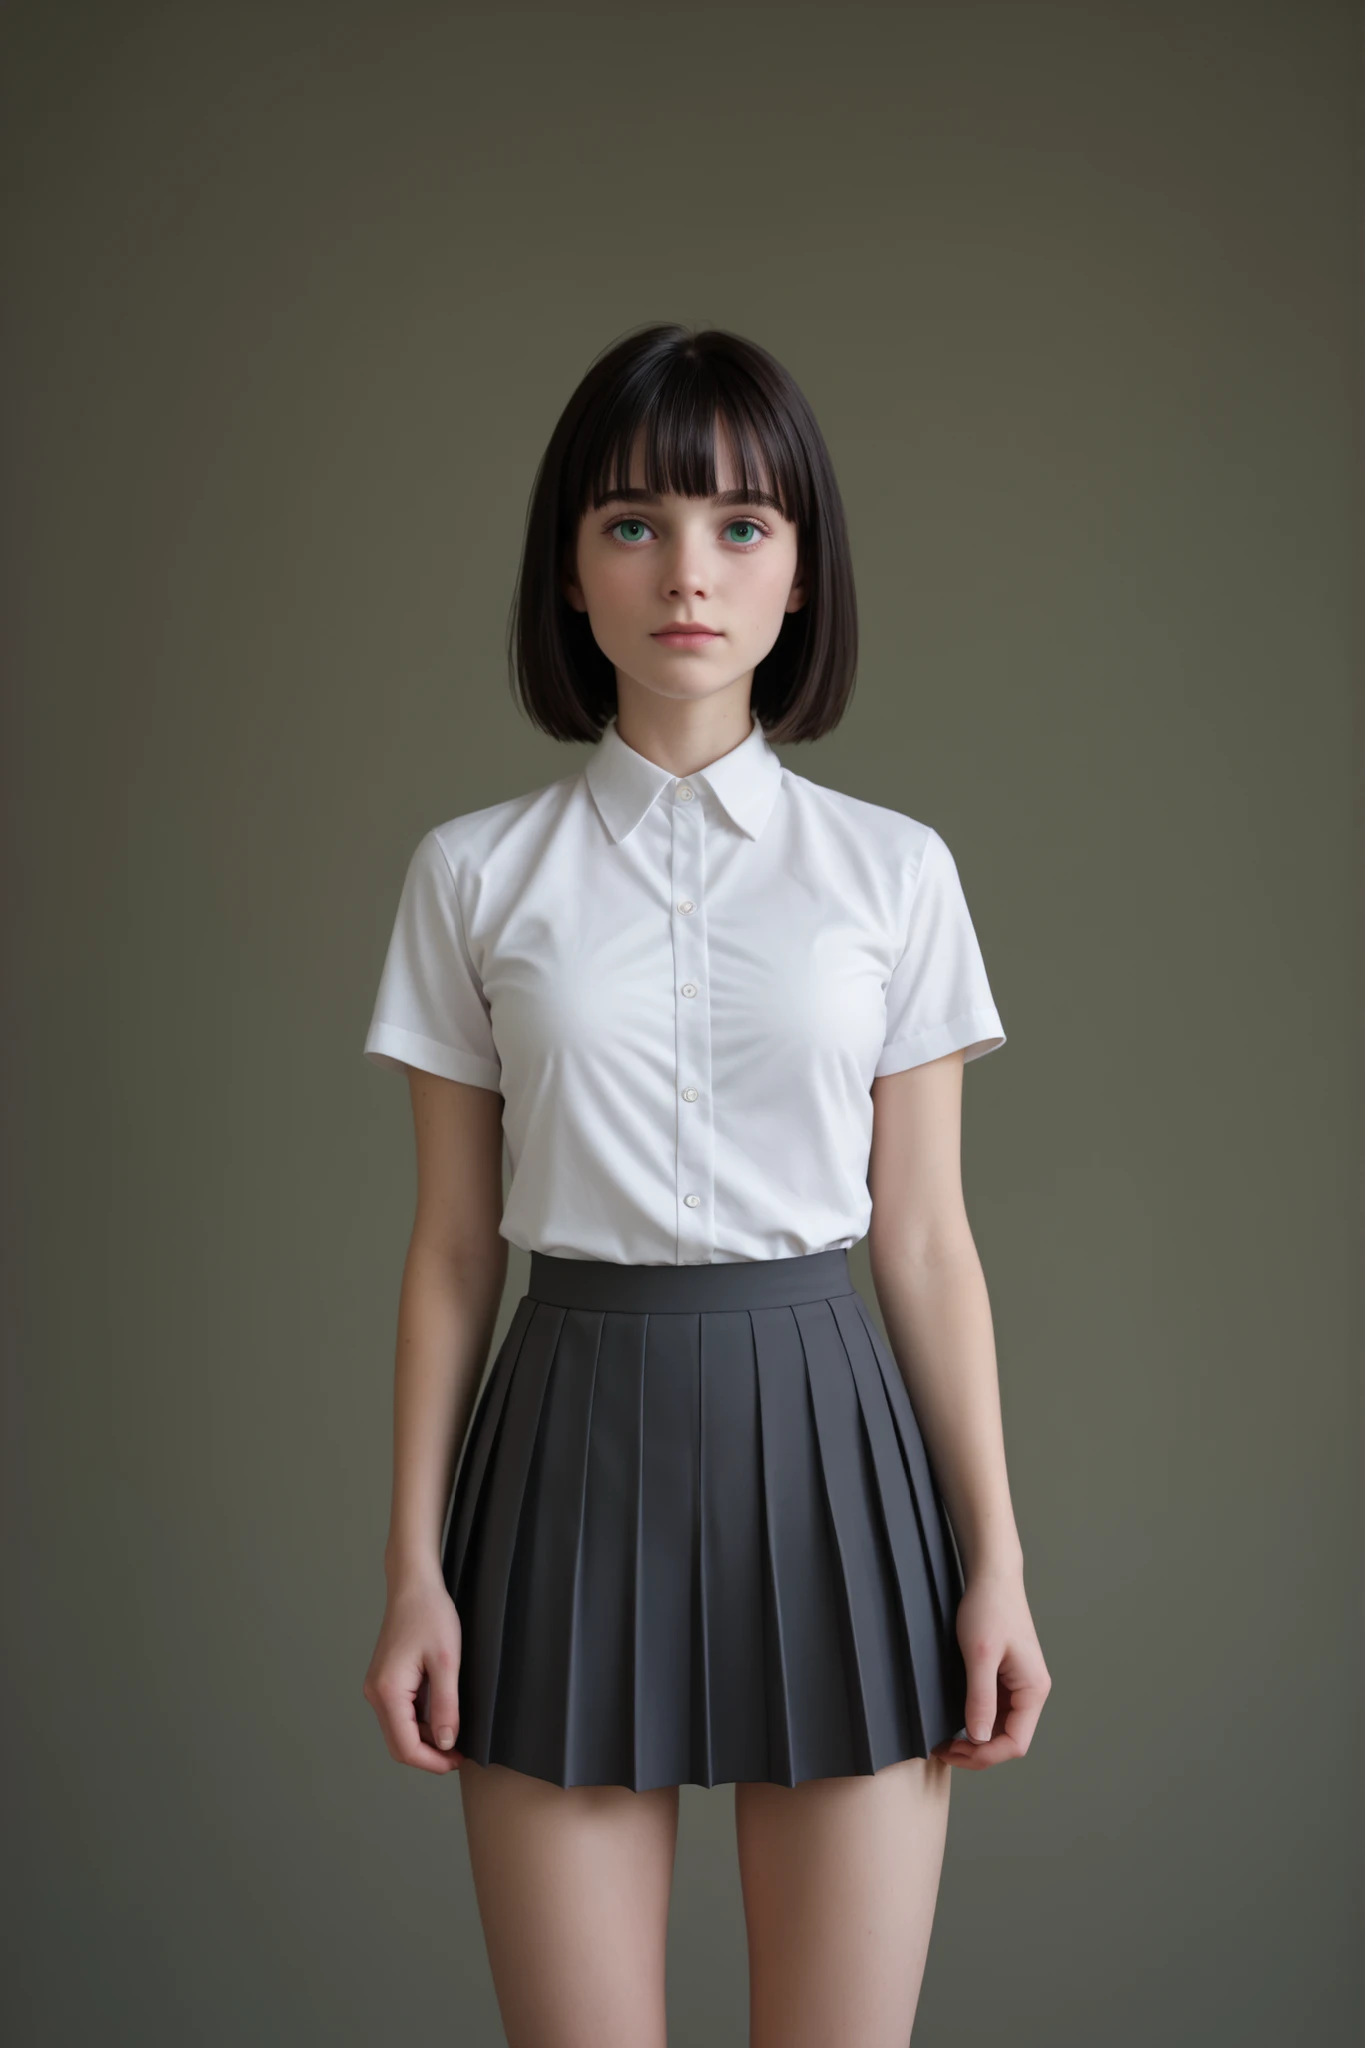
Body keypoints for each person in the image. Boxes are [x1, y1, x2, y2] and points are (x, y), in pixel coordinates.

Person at [360, 323, 1051, 2048]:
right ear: (568, 576)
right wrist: (411, 1573)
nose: (689, 571)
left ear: (804, 573)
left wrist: (999, 1561)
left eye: (744, 526)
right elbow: (452, 1252)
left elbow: (928, 1241)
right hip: (564, 1460)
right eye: (633, 523)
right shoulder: (471, 877)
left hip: (842, 1466)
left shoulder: (895, 874)